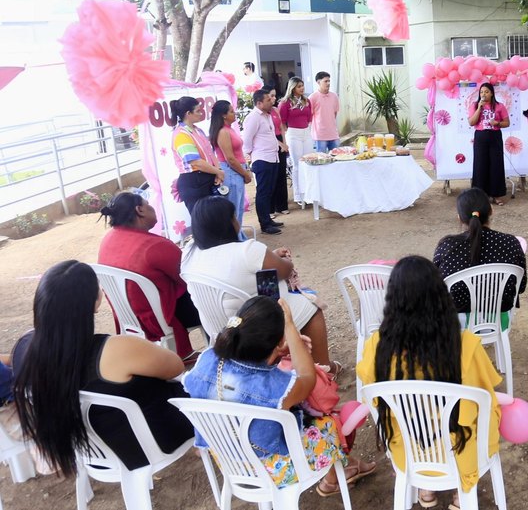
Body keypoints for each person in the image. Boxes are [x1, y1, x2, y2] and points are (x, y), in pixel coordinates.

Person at [14, 260, 193, 476]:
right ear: (94, 302)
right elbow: (175, 366)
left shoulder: (24, 349)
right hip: (148, 445)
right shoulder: (115, 349)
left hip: (91, 450)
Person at [183, 296, 375, 496]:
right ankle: (336, 474)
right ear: (277, 343)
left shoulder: (207, 359)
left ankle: (341, 471)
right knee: (329, 422)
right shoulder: (274, 387)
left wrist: (278, 348)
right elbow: (307, 377)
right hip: (271, 469)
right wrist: (291, 328)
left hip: (230, 462)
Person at [356, 255, 503, 509]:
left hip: (407, 452)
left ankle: (425, 489)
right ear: (440, 297)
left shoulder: (375, 347)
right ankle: (461, 492)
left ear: (392, 300)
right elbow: (486, 398)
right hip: (461, 451)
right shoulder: (465, 344)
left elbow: (371, 396)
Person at [180, 196, 338, 372]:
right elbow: (285, 270)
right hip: (254, 326)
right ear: (229, 223)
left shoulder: (188, 254)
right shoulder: (247, 250)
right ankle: (325, 370)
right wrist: (281, 258)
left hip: (217, 328)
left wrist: (269, 256)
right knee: (311, 306)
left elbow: (235, 268)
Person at [98, 191, 200, 361]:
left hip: (128, 314)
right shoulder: (155, 246)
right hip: (160, 317)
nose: (153, 209)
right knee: (213, 293)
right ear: (140, 210)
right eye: (148, 205)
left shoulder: (108, 239)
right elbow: (190, 278)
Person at [433, 187, 527, 329]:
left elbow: (436, 288)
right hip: (499, 322)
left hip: (456, 325)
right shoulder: (511, 243)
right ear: (491, 211)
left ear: (459, 217)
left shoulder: (447, 246)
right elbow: (521, 286)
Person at [170, 96, 224, 214]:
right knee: (204, 221)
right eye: (198, 111)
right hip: (194, 181)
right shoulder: (181, 134)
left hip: (207, 177)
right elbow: (195, 162)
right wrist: (218, 172)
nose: (201, 113)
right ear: (188, 113)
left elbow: (210, 153)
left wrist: (218, 170)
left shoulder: (198, 130)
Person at [209, 100, 253, 240]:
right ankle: (234, 239)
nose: (235, 113)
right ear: (223, 115)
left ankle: (237, 237)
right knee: (233, 210)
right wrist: (245, 173)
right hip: (231, 172)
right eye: (231, 111)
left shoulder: (229, 129)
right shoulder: (222, 132)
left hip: (236, 171)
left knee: (238, 209)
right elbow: (230, 159)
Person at [243, 89, 284, 236]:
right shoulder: (253, 117)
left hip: (272, 158)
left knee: (269, 191)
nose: (272, 101)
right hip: (262, 160)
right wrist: (249, 157)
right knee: (263, 192)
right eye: (268, 100)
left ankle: (268, 219)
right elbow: (247, 140)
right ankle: (265, 224)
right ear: (259, 103)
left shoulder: (267, 116)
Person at [468, 83, 510, 206]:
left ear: (491, 93)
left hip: (495, 136)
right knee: (480, 166)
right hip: (480, 137)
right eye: (481, 92)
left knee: (496, 165)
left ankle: (496, 195)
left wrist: (497, 123)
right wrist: (479, 109)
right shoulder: (475, 105)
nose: (483, 94)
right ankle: (481, 196)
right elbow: (471, 122)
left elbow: (507, 122)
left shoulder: (499, 106)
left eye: (486, 92)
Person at [279, 77, 313, 206]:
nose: (302, 88)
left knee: (308, 162)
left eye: (302, 86)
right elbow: (282, 122)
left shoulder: (306, 101)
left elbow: (310, 117)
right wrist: (286, 136)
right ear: (292, 87)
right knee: (297, 164)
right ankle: (299, 194)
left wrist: (308, 129)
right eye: (299, 86)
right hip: (293, 133)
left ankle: (309, 192)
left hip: (306, 132)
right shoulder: (285, 102)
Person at [269, 88, 290, 216]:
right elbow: (267, 133)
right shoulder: (263, 114)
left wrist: (284, 142)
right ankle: (271, 208)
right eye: (271, 96)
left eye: (274, 96)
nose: (274, 98)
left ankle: (282, 205)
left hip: (280, 140)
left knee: (282, 174)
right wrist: (279, 143)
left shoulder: (276, 110)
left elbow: (281, 127)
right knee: (272, 176)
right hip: (271, 143)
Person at [309, 71, 340, 153]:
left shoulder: (334, 96)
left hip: (333, 134)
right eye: (325, 81)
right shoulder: (312, 97)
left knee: (336, 159)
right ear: (318, 82)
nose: (328, 83)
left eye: (329, 81)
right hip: (320, 135)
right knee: (321, 160)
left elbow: (335, 113)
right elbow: (309, 116)